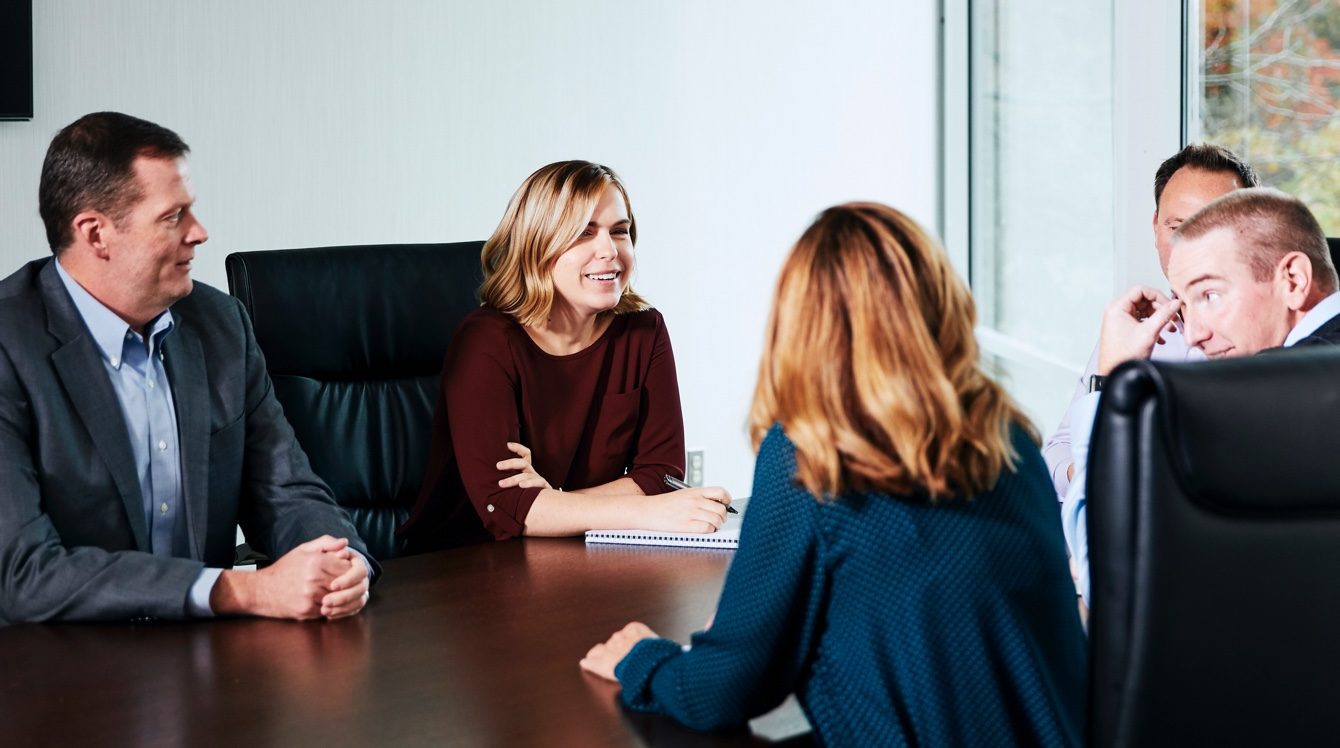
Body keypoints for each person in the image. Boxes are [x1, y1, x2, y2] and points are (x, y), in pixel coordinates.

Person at [581, 203, 1086, 746]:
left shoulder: (812, 451)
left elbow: (725, 691)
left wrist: (644, 659)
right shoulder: (1006, 436)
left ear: (801, 323)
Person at [0, 112, 375, 625]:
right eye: (172, 216)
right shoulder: (8, 346)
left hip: (210, 665)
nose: (199, 233)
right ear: (96, 234)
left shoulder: (220, 324)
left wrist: (342, 564)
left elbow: (286, 491)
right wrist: (237, 590)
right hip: (59, 673)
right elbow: (23, 574)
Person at [398, 161, 731, 552]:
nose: (608, 251)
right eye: (583, 234)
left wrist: (552, 502)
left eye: (619, 232)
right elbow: (504, 506)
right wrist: (647, 512)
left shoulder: (644, 332)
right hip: (463, 567)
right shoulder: (487, 341)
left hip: (575, 555)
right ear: (537, 246)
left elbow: (661, 476)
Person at [1063, 187, 1340, 604]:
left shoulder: (1268, 400)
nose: (1194, 335)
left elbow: (1110, 569)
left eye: (1210, 295)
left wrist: (1112, 378)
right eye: (1185, 305)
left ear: (1294, 280)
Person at [1044, 144, 1258, 498]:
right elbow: (1059, 449)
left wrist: (1098, 471)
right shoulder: (1131, 327)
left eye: (1213, 228)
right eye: (1176, 226)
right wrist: (1091, 473)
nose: (1191, 247)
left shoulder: (1268, 335)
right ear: (1155, 226)